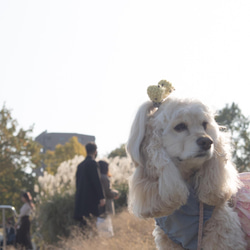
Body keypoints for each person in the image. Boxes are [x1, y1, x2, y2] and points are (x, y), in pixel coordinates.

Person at [74, 142, 105, 229]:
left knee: (83, 225)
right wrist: (101, 197)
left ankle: (82, 241)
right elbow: (97, 181)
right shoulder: (93, 163)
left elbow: (77, 183)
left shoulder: (80, 166)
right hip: (91, 200)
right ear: (95, 151)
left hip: (80, 200)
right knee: (92, 224)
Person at [97, 160, 119, 237]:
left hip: (99, 207)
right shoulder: (104, 178)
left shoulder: (97, 177)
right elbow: (108, 192)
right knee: (107, 229)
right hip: (105, 206)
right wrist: (116, 193)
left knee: (101, 227)